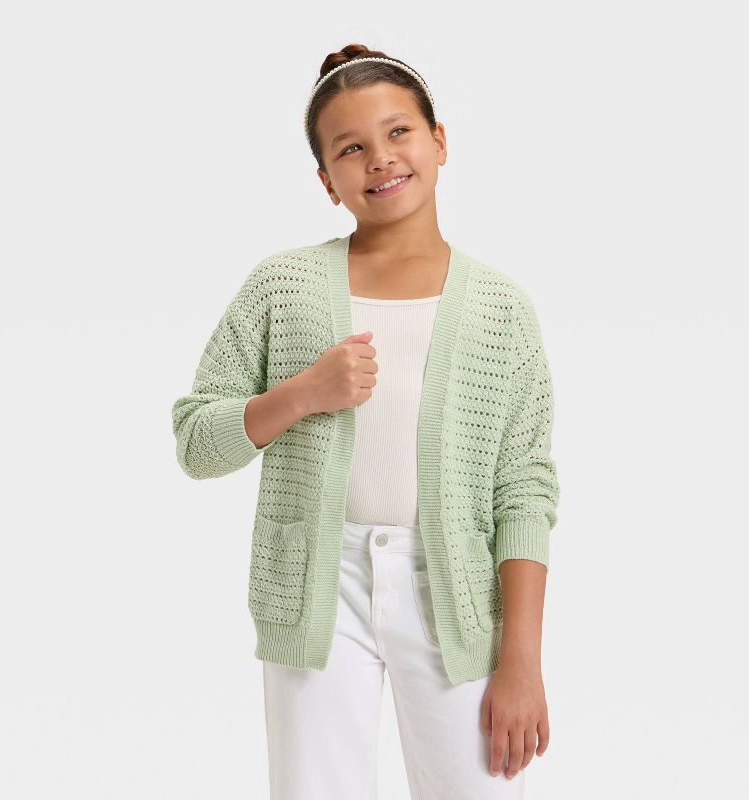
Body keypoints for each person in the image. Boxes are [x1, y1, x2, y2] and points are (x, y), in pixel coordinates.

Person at [171, 42, 561, 800]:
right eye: (350, 148)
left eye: (398, 132)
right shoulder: (282, 286)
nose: (379, 158)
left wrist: (522, 661)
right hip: (316, 586)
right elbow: (196, 441)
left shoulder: (500, 308)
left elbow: (524, 491)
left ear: (439, 140)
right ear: (327, 180)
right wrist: (300, 394)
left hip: (456, 593)